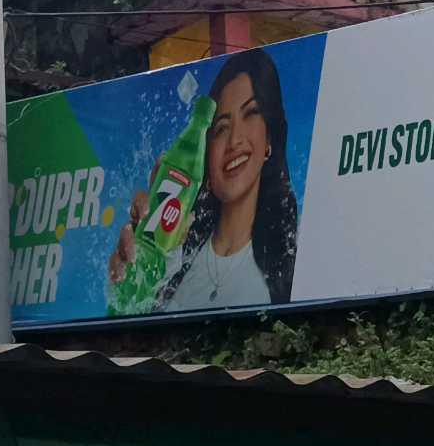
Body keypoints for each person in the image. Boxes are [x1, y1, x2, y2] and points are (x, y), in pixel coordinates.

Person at [108, 49, 299, 310]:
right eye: (221, 128)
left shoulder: (292, 256)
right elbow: (129, 310)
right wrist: (128, 278)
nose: (234, 140)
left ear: (269, 139)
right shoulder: (174, 259)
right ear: (205, 156)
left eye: (250, 113)